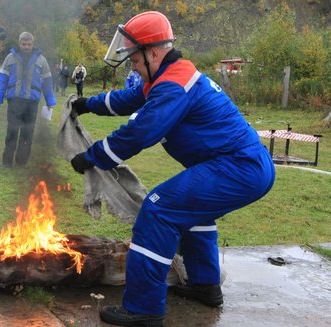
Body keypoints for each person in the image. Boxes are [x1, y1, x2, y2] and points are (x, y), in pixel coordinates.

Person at [69, 11, 275, 326]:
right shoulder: (169, 76)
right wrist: (88, 104)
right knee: (193, 214)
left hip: (238, 167)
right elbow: (129, 98)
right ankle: (206, 286)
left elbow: (141, 131)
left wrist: (93, 156)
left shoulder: (173, 85)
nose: (132, 66)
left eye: (135, 60)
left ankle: (143, 309)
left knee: (158, 210)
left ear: (153, 53)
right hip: (243, 166)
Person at [0, 32, 56, 168]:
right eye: (23, 44)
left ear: (33, 44)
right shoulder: (10, 58)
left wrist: (50, 101)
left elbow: (47, 82)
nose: (26, 47)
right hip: (14, 102)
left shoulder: (41, 60)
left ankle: (21, 162)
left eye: (29, 44)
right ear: (19, 43)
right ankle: (7, 162)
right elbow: (2, 79)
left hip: (32, 103)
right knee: (12, 132)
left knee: (27, 134)